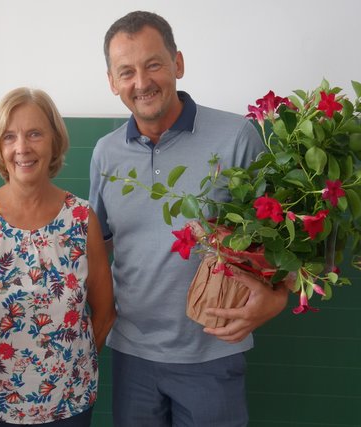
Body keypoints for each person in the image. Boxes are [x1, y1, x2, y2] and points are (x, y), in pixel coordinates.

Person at [88, 11, 290, 427]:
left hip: (212, 355)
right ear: (112, 82)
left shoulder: (237, 138)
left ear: (178, 63)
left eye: (153, 64)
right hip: (131, 357)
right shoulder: (105, 154)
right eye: (126, 72)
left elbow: (288, 239)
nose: (141, 82)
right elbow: (98, 246)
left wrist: (277, 299)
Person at [0, 87, 116, 426]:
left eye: (34, 133)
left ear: (54, 141)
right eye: (9, 137)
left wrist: (67, 368)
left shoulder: (81, 218)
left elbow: (105, 314)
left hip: (67, 406)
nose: (22, 148)